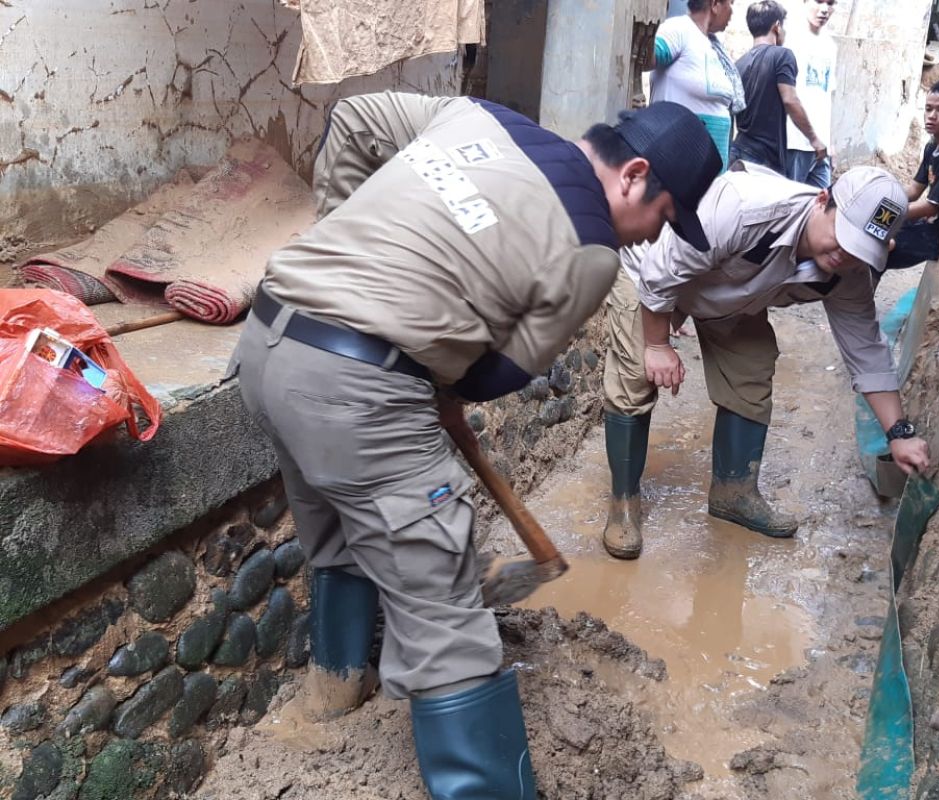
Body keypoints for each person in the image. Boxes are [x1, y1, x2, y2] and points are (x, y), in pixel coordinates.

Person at [230, 92, 722, 798]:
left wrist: (341, 242)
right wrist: (438, 377)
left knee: (339, 537)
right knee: (448, 621)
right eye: (663, 217)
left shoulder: (477, 116)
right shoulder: (590, 254)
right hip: (356, 394)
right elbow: (501, 372)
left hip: (269, 348)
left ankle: (334, 694)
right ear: (635, 174)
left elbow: (354, 119)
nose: (652, 238)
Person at [601, 162, 931, 559]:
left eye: (861, 249)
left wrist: (899, 433)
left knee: (751, 371)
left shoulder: (847, 272)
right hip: (650, 272)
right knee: (636, 373)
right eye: (843, 238)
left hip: (730, 296)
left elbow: (866, 349)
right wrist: (657, 346)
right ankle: (623, 503)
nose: (845, 255)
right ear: (823, 199)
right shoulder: (743, 208)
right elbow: (660, 273)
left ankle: (733, 492)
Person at [650, 0, 745, 168]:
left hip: (710, 172)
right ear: (715, 4)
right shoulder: (678, 29)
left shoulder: (712, 45)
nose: (732, 11)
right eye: (730, 3)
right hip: (678, 165)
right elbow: (648, 56)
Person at [887, 78, 939, 269]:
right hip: (925, 221)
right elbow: (914, 190)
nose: (931, 116)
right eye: (928, 109)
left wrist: (886, 214)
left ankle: (860, 298)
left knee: (880, 251)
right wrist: (883, 200)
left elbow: (931, 207)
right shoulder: (932, 146)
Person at [730, 1, 807, 176]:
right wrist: (814, 139)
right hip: (763, 158)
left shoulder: (738, 64)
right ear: (777, 26)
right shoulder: (782, 55)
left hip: (738, 152)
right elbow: (790, 100)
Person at [784, 0, 838, 188]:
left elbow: (827, 96)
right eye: (818, 1)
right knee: (791, 205)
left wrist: (830, 142)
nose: (824, 9)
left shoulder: (830, 46)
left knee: (823, 206)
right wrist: (812, 138)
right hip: (795, 141)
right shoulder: (790, 40)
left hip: (821, 146)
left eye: (830, 3)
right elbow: (787, 95)